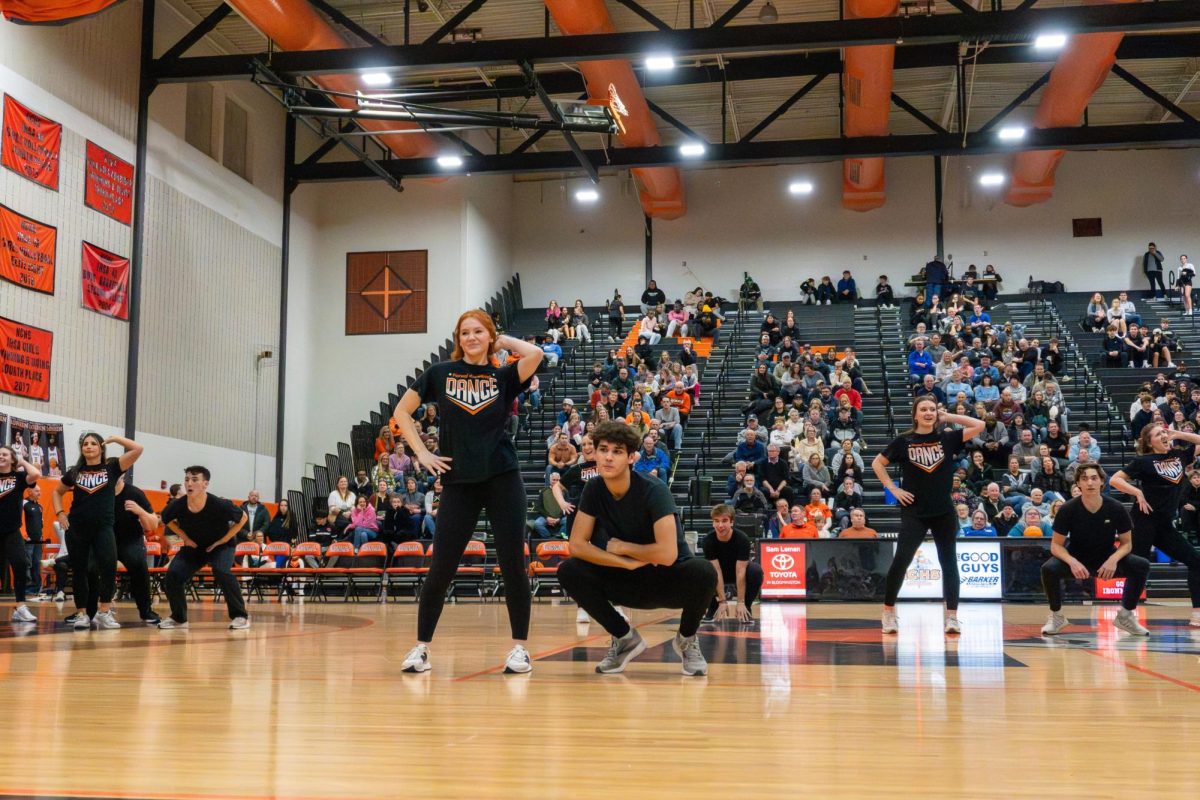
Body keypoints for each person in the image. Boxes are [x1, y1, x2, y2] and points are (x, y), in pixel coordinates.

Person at [393, 309, 542, 675]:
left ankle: (519, 649)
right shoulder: (440, 373)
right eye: (464, 333)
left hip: (502, 478)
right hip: (459, 481)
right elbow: (401, 411)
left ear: (488, 335)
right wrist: (423, 452)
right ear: (457, 339)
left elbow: (537, 356)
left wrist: (502, 340)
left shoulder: (505, 375)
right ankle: (421, 648)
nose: (471, 338)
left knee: (513, 565)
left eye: (478, 331)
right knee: (441, 566)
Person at [556, 422, 716, 676]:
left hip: (667, 578)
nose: (608, 457)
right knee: (569, 570)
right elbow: (576, 545)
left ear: (631, 457)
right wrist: (622, 561)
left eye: (617, 451)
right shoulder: (594, 488)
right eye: (603, 450)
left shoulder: (655, 490)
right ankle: (624, 638)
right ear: (594, 453)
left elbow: (667, 554)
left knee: (705, 572)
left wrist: (623, 547)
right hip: (625, 578)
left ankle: (686, 639)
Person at [873, 398, 985, 635]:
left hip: (943, 511)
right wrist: (893, 489)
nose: (928, 413)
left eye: (932, 410)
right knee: (901, 561)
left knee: (949, 563)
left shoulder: (947, 438)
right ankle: (888, 612)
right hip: (914, 512)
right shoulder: (903, 441)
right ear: (915, 414)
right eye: (923, 409)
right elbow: (877, 463)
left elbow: (979, 425)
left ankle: (952, 617)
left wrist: (949, 417)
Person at [1040, 463, 1151, 636]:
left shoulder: (1116, 508)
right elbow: (1056, 545)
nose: (1089, 483)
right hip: (1077, 560)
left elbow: (1127, 544)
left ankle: (1126, 615)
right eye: (1084, 479)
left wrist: (1113, 560)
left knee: (1141, 565)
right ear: (1078, 484)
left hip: (1106, 560)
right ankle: (1057, 616)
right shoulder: (1068, 509)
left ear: (1102, 482)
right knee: (1049, 568)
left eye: (1094, 478)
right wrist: (1072, 561)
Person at [1108, 424, 1200, 628]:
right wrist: (1137, 493)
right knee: (1139, 567)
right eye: (1159, 434)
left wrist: (1178, 433)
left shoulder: (1179, 456)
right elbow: (1115, 480)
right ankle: (1125, 613)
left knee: (1196, 561)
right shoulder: (1143, 461)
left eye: (1165, 432)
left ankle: (1197, 613)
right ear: (1150, 442)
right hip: (1143, 521)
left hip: (1164, 524)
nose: (1164, 435)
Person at [53, 433, 143, 630]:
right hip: (77, 528)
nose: (89, 447)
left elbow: (138, 449)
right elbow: (57, 491)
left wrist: (116, 439)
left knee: (109, 567)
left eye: (94, 443)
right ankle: (82, 614)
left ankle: (104, 611)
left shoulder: (111, 467)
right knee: (79, 571)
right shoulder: (74, 471)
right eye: (85, 444)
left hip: (103, 527)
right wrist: (60, 513)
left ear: (101, 448)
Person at [158, 466, 250, 630]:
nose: (189, 484)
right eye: (187, 480)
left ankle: (240, 616)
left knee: (222, 571)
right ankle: (179, 618)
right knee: (173, 574)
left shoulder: (218, 504)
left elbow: (243, 518)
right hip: (195, 547)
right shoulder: (179, 505)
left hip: (221, 546)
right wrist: (185, 538)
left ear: (205, 484)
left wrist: (223, 540)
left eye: (194, 480)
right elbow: (166, 519)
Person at [701, 504, 762, 623]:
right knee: (700, 571)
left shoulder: (742, 539)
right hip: (718, 573)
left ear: (731, 522)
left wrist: (740, 602)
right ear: (712, 523)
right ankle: (713, 607)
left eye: (724, 521)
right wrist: (722, 601)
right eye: (716, 521)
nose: (720, 525)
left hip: (737, 572)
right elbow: (716, 570)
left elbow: (740, 571)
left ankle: (746, 607)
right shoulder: (708, 540)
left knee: (756, 571)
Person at [1, 446, 40, 622]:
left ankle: (21, 606)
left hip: (11, 531)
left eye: (4, 454)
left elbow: (36, 475)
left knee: (21, 564)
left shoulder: (18, 477)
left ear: (11, 458)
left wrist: (22, 461)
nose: (0, 456)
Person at [23, 482, 44, 598]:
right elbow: (20, 519)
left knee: (36, 563)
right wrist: (24, 534)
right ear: (29, 492)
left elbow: (41, 523)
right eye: (37, 491)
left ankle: (36, 586)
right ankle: (27, 587)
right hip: (28, 540)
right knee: (28, 563)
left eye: (40, 491)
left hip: (38, 540)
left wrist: (41, 535)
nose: (39, 493)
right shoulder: (24, 504)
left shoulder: (39, 506)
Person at [530, 473, 567, 540]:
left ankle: (560, 537)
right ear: (550, 480)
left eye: (557, 480)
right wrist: (547, 517)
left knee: (568, 521)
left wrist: (559, 518)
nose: (555, 481)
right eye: (553, 480)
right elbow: (539, 507)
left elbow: (568, 507)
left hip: (561, 517)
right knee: (537, 524)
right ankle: (548, 538)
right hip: (546, 517)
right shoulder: (544, 491)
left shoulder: (565, 491)